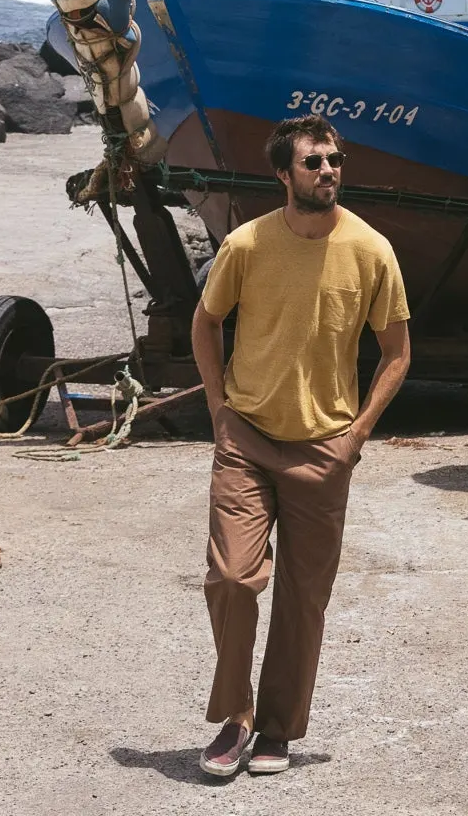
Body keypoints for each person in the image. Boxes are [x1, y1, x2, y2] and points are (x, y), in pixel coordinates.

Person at [191, 113, 411, 779]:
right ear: (283, 174)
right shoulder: (247, 245)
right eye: (313, 162)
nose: (328, 172)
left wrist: (356, 436)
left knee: (301, 598)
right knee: (233, 578)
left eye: (335, 160)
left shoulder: (371, 249)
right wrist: (218, 411)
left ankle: (277, 731)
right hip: (247, 440)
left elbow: (397, 353)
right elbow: (207, 323)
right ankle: (236, 717)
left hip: (325, 450)